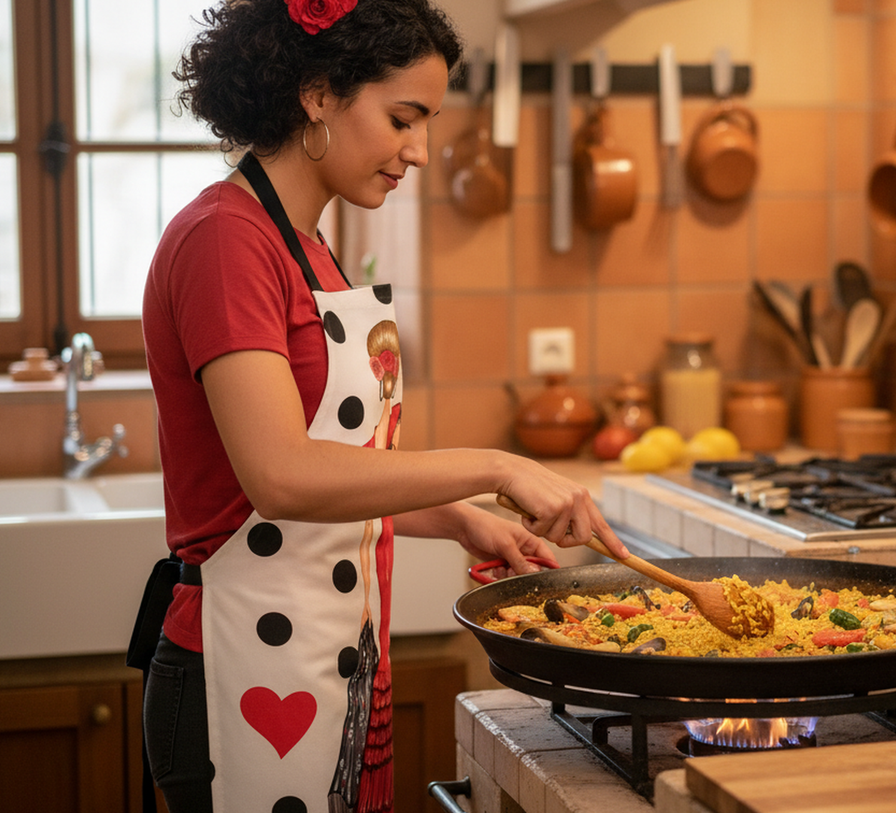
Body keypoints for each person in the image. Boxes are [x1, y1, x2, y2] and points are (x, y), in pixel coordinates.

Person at [138, 1, 629, 811]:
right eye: (403, 119)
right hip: (242, 670)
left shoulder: (311, 247)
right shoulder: (224, 241)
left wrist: (460, 515)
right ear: (319, 94)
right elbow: (282, 478)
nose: (422, 151)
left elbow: (343, 473)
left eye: (428, 123)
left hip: (336, 662)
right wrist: (499, 465)